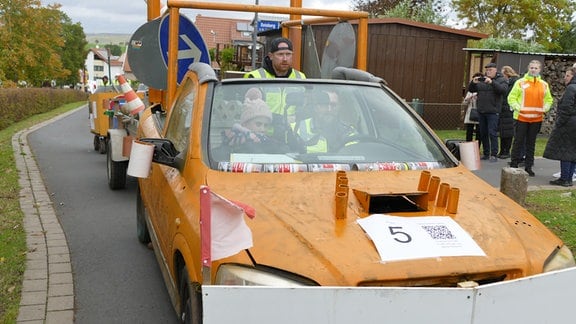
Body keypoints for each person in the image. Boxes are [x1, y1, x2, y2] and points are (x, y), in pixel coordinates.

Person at [508, 60, 553, 176]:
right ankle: (514, 164)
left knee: (531, 143)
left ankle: (529, 166)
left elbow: (549, 99)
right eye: (531, 67)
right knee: (518, 141)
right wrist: (518, 108)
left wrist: (545, 108)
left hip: (536, 119)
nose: (533, 70)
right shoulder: (520, 82)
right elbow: (511, 98)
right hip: (521, 117)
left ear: (540, 70)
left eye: (536, 68)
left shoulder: (544, 84)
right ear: (528, 68)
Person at [467, 62, 508, 162]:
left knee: (492, 133)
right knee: (483, 133)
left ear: (495, 70)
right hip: (481, 110)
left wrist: (492, 82)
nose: (488, 72)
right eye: (487, 70)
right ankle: (486, 153)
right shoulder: (482, 80)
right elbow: (471, 90)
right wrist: (474, 82)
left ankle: (494, 154)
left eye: (490, 70)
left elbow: (502, 91)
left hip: (493, 111)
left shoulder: (501, 80)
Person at [543, 67, 576, 187]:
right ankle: (568, 178)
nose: (565, 78)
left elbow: (566, 108)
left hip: (569, 124)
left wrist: (559, 122)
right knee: (572, 152)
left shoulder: (571, 88)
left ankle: (564, 178)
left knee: (565, 152)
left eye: (567, 76)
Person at [498, 66, 520, 159]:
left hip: (509, 109)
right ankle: (502, 150)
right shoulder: (509, 82)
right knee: (503, 131)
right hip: (504, 108)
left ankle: (506, 151)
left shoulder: (514, 82)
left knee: (508, 131)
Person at [463, 72, 482, 142]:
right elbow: (464, 103)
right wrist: (469, 98)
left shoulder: (482, 91)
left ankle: (477, 147)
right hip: (470, 112)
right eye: (476, 79)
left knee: (479, 132)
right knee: (469, 132)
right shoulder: (470, 91)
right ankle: (468, 146)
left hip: (480, 112)